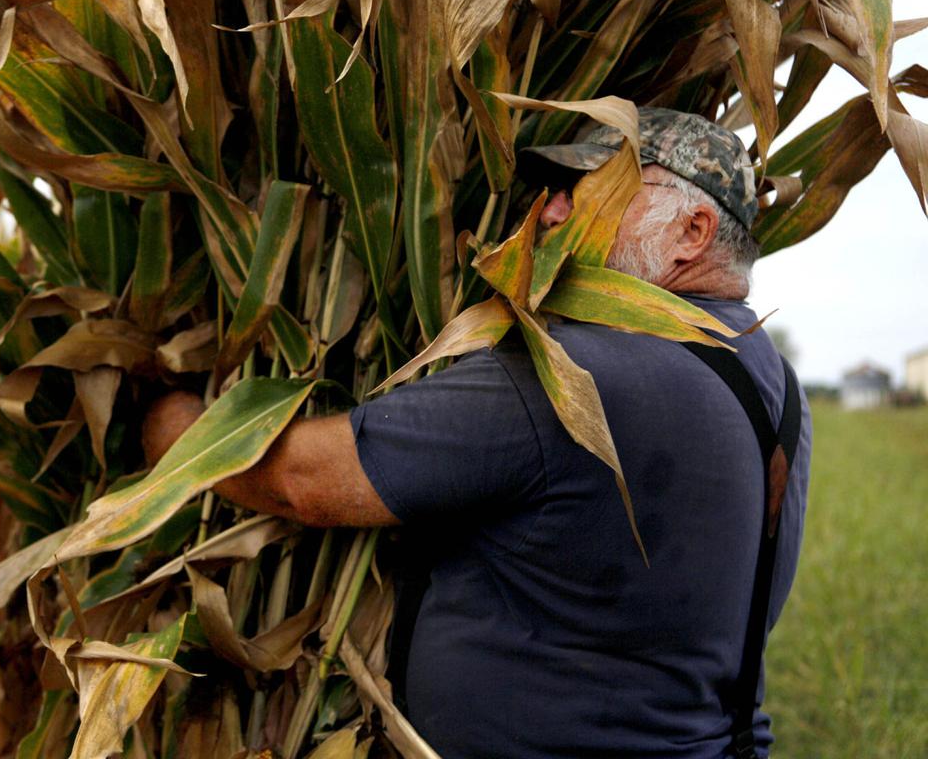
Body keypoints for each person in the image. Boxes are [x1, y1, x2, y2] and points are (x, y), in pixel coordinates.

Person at [142, 108, 811, 758]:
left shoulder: (575, 375)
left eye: (588, 193)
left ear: (691, 232)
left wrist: (172, 429)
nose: (547, 212)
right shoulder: (773, 383)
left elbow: (302, 481)